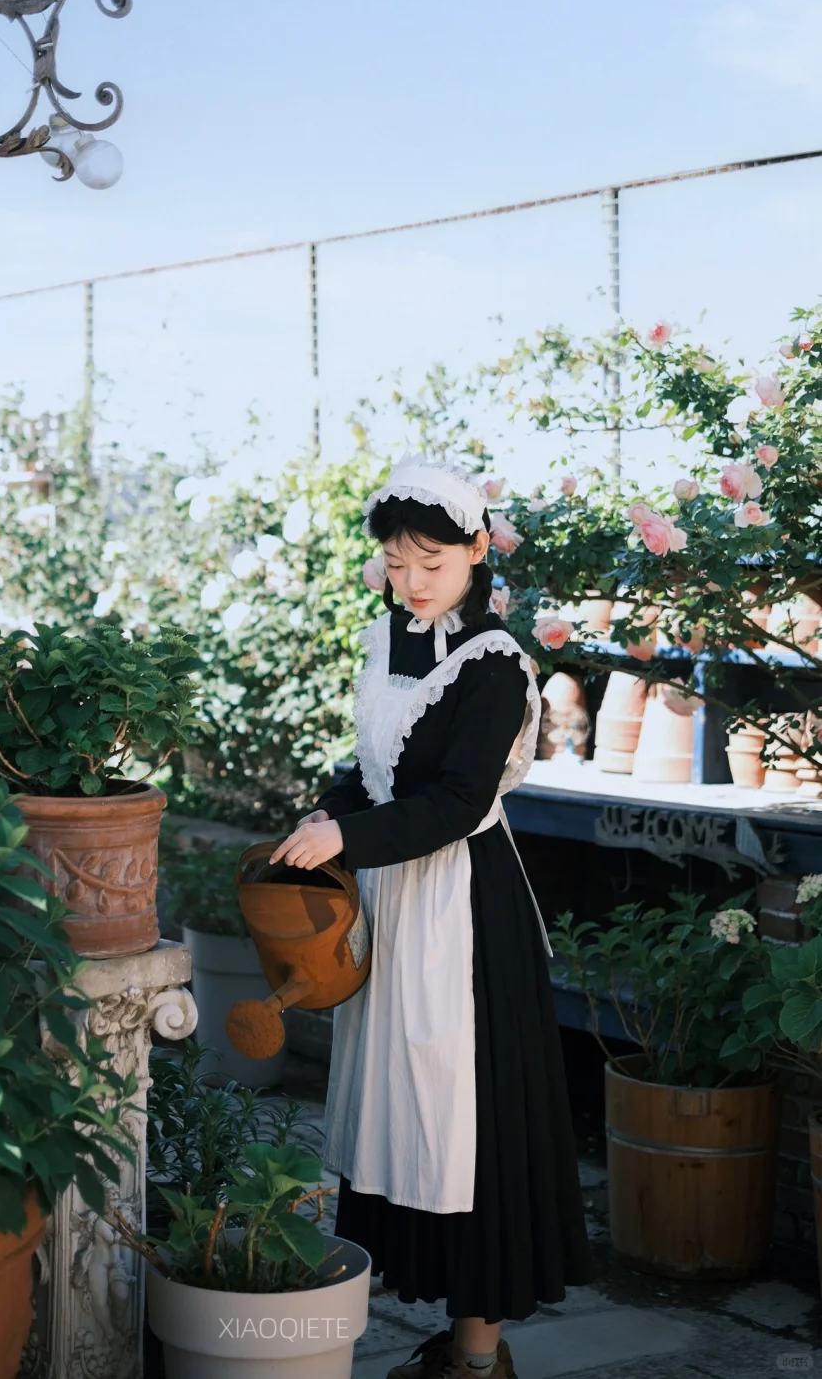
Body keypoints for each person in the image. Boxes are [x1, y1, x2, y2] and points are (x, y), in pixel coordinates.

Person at [269, 455, 593, 1379]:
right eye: (397, 563)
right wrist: (328, 811)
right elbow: (376, 767)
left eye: (431, 564)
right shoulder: (387, 639)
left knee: (469, 1125)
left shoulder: (496, 666)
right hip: (392, 895)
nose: (409, 582)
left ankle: (479, 1355)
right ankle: (441, 1333)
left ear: (477, 550)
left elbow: (453, 800)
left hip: (462, 913)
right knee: (397, 1109)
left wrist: (348, 839)